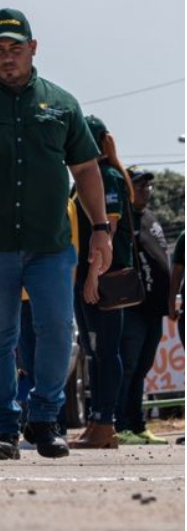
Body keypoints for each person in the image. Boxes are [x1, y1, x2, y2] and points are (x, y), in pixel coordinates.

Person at [0, 8, 112, 461]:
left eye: (16, 48)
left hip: (50, 244)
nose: (7, 57)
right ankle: (5, 429)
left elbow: (87, 169)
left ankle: (46, 418)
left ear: (33, 48)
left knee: (56, 329)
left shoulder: (62, 104)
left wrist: (102, 230)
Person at [69, 117, 135, 450]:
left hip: (104, 277)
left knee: (105, 351)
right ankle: (96, 421)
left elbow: (105, 230)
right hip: (86, 275)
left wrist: (93, 276)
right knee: (94, 352)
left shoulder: (107, 176)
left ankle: (105, 422)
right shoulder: (84, 179)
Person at [115, 169, 172, 444]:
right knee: (127, 367)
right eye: (139, 186)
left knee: (142, 369)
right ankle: (121, 425)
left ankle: (138, 425)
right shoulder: (123, 218)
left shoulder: (149, 218)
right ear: (127, 188)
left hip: (154, 308)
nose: (146, 190)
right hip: (133, 307)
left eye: (148, 186)